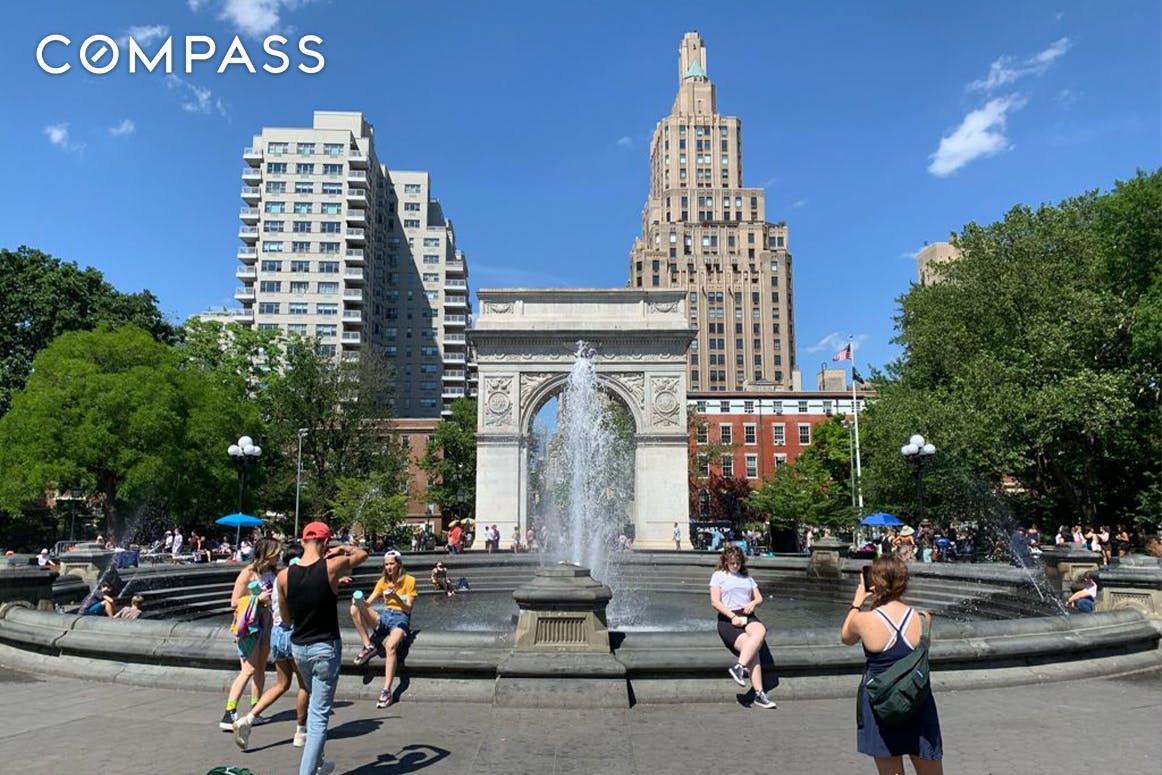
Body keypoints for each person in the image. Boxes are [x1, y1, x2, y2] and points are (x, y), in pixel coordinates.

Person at [278, 521, 367, 775]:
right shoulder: (331, 566)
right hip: (325, 648)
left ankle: (318, 763)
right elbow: (362, 554)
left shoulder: (284, 576)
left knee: (314, 702)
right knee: (318, 717)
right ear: (326, 542)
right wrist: (342, 549)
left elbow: (285, 619)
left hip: (299, 649)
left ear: (302, 541)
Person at [842, 556, 943, 773]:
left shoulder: (864, 620)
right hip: (917, 700)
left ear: (874, 582)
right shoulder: (923, 619)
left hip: (881, 704)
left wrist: (857, 602)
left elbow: (846, 637)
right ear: (904, 582)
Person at [233, 544, 310, 752]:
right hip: (292, 634)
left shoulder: (279, 577)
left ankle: (247, 719)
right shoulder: (292, 579)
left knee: (282, 684)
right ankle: (301, 731)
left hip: (276, 634)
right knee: (305, 685)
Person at [219, 537, 280, 732]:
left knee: (260, 667)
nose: (279, 556)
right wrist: (257, 598)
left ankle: (256, 709)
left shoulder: (274, 572)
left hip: (268, 623)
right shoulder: (248, 573)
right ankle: (229, 712)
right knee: (248, 669)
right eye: (276, 552)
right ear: (266, 554)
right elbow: (234, 602)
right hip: (251, 626)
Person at [708, 545, 776, 709]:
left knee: (760, 631)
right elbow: (715, 602)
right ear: (725, 561)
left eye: (738, 563)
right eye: (732, 563)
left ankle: (739, 667)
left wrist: (752, 604)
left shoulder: (747, 577)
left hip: (747, 615)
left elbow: (759, 598)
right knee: (752, 649)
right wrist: (732, 616)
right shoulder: (718, 576)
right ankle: (759, 693)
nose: (735, 566)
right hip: (728, 619)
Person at [351, 549, 416, 709]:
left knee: (390, 646)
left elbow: (408, 609)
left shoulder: (409, 581)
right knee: (354, 608)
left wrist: (396, 598)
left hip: (401, 618)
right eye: (386, 564)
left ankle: (387, 690)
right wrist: (359, 601)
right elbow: (368, 604)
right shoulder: (382, 581)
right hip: (385, 616)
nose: (389, 567)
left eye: (392, 564)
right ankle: (368, 646)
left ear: (399, 564)